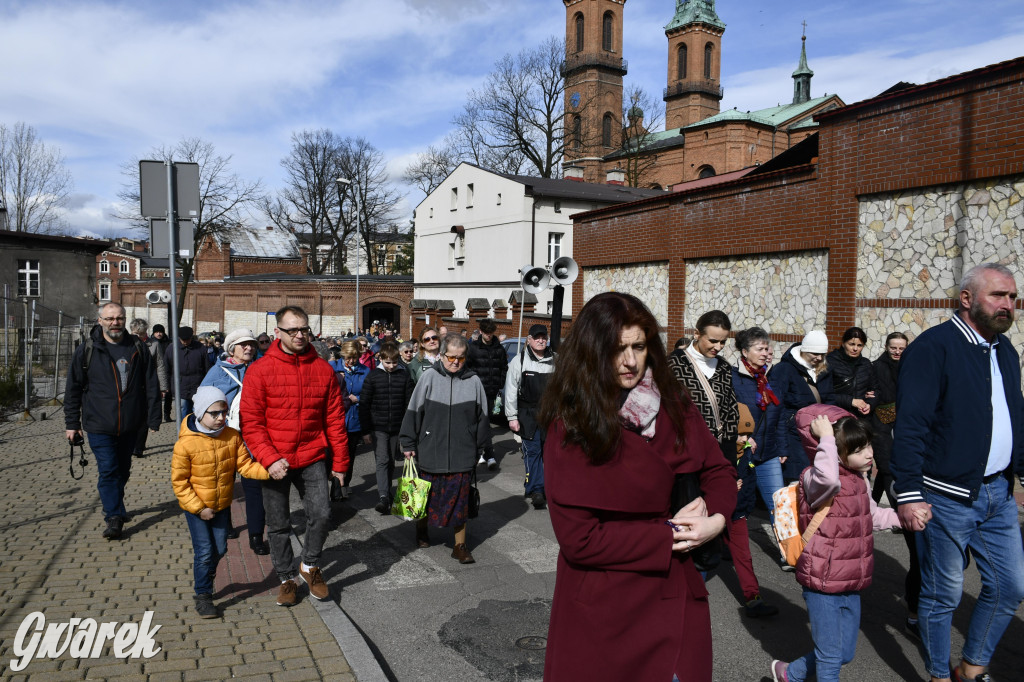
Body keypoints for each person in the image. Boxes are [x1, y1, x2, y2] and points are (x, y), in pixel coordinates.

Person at [539, 292, 736, 682]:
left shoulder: (674, 403)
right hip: (605, 605)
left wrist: (716, 519)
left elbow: (718, 469)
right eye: (617, 349)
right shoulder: (570, 424)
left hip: (673, 589)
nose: (630, 362)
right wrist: (670, 534)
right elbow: (580, 540)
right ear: (592, 352)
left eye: (639, 347)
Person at [891, 263, 1024, 682]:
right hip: (945, 496)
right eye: (998, 296)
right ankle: (938, 674)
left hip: (998, 495)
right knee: (943, 593)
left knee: (1009, 588)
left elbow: (1014, 418)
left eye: (1012, 297)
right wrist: (909, 494)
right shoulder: (934, 347)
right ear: (966, 299)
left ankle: (971, 667)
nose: (1008, 305)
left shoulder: (1005, 350)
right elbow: (910, 425)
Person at [771, 409, 908, 682]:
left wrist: (903, 518)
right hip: (821, 579)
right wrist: (826, 441)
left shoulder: (860, 479)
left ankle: (790, 673)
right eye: (859, 448)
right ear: (832, 450)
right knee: (831, 659)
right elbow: (829, 480)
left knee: (844, 653)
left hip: (851, 581)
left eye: (868, 444)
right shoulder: (813, 478)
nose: (869, 453)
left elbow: (870, 515)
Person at [239, 305, 350, 606]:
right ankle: (287, 577)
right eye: (293, 330)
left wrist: (340, 462)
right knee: (277, 524)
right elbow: (251, 422)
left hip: (312, 454)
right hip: (275, 459)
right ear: (278, 332)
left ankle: (310, 564)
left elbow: (334, 420)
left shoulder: (323, 369)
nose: (300, 335)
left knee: (322, 514)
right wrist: (269, 458)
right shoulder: (259, 370)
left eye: (304, 329)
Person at [671, 312, 778, 618]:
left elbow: (731, 418)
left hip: (722, 460)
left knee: (734, 523)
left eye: (722, 341)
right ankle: (682, 601)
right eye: (712, 340)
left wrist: (733, 469)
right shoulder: (673, 365)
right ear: (696, 333)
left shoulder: (725, 368)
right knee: (690, 532)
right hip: (684, 462)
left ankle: (751, 595)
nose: (717, 347)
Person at [64, 303, 161, 540]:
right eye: (109, 319)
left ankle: (116, 504)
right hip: (98, 423)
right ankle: (114, 516)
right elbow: (73, 388)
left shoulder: (137, 346)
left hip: (130, 423)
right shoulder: (87, 349)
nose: (114, 322)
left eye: (119, 318)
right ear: (100, 321)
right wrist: (72, 423)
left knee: (123, 469)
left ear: (125, 320)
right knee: (108, 469)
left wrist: (153, 417)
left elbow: (151, 383)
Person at [171, 386, 270, 618]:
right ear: (200, 413)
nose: (221, 418)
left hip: (222, 504)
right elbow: (180, 483)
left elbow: (245, 466)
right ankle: (203, 595)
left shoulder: (232, 436)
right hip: (197, 509)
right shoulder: (185, 444)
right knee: (204, 551)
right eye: (214, 413)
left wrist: (269, 471)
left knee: (221, 548)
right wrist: (199, 508)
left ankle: (206, 574)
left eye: (224, 412)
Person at [400, 333, 491, 564]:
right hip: (431, 450)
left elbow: (483, 419)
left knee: (460, 502)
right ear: (441, 355)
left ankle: (460, 545)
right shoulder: (428, 378)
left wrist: (480, 448)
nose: (455, 362)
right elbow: (413, 411)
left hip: (462, 453)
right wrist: (408, 442)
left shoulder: (474, 382)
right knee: (425, 497)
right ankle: (422, 530)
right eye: (451, 357)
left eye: (460, 358)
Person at [199, 327, 268, 555]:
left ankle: (256, 536)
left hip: (253, 437)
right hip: (226, 437)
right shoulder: (217, 372)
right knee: (225, 483)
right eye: (243, 345)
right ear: (232, 349)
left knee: (254, 487)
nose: (249, 348)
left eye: (252, 344)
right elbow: (201, 403)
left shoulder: (260, 369)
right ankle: (226, 524)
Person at [768, 329, 834, 482]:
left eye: (822, 355)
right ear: (804, 350)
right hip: (793, 433)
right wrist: (782, 445)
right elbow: (777, 407)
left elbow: (830, 399)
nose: (818, 358)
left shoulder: (825, 369)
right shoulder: (784, 369)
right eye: (814, 354)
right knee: (797, 478)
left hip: (819, 431)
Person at [504, 323, 555, 510]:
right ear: (530, 339)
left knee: (550, 453)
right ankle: (536, 490)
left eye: (544, 337)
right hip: (527, 415)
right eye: (537, 337)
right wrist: (512, 417)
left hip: (550, 415)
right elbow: (510, 391)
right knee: (533, 453)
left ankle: (548, 487)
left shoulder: (555, 360)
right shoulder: (520, 361)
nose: (541, 340)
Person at [359, 344, 414, 514]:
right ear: (380, 359)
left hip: (397, 426)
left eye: (395, 362)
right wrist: (366, 431)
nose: (391, 366)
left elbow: (409, 403)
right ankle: (383, 496)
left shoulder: (404, 377)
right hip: (378, 427)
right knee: (382, 459)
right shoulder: (373, 377)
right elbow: (364, 404)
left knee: (390, 461)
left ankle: (387, 491)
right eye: (388, 362)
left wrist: (408, 428)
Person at [332, 340, 372, 499]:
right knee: (335, 455)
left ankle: (345, 484)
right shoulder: (333, 368)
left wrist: (358, 399)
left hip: (355, 420)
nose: (351, 361)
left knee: (349, 455)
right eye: (348, 357)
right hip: (337, 419)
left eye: (354, 357)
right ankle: (335, 486)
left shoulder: (365, 371)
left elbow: (370, 395)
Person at [467, 317, 508, 470]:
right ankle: (483, 453)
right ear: (481, 332)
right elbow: (467, 367)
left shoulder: (499, 348)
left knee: (487, 422)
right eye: (486, 333)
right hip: (477, 391)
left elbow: (504, 367)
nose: (489, 336)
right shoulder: (473, 348)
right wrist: (473, 384)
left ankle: (486, 454)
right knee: (478, 422)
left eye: (491, 333)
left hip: (492, 390)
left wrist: (500, 383)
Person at [129, 318, 167, 458]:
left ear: (146, 332)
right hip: (131, 386)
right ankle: (131, 443)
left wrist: (162, 387)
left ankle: (138, 447)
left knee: (144, 417)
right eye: (135, 333)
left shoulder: (154, 344)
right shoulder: (127, 344)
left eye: (141, 333)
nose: (138, 336)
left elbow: (160, 366)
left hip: (148, 385)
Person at [825, 327, 876, 417]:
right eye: (851, 344)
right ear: (843, 343)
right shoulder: (829, 362)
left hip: (861, 418)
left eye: (860, 345)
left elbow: (875, 390)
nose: (855, 349)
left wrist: (869, 404)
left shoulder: (866, 364)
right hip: (836, 415)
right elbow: (824, 393)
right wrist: (851, 401)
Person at [165, 326, 210, 421]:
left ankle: (196, 430)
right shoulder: (172, 348)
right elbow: (167, 368)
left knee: (196, 410)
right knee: (183, 408)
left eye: (187, 339)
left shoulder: (200, 348)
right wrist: (166, 386)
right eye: (183, 340)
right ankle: (184, 430)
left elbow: (207, 367)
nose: (185, 342)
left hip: (197, 385)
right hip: (180, 385)